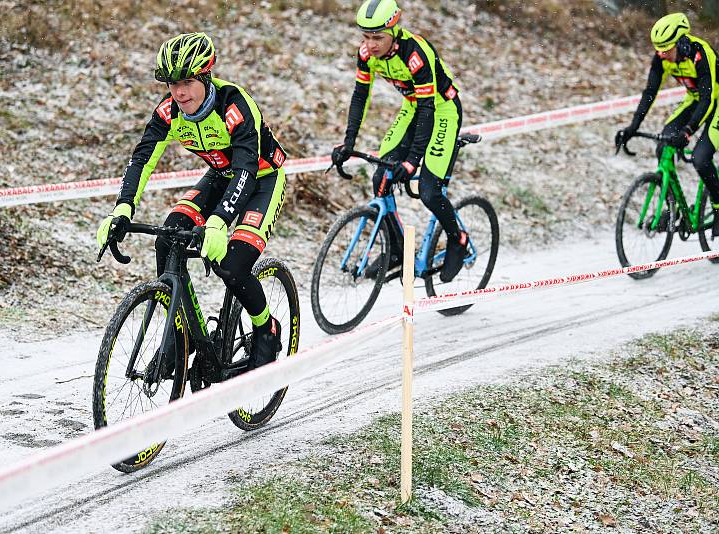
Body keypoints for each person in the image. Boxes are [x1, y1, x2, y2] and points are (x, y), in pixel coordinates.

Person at [96, 32, 288, 370]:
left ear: (205, 76)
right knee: (168, 237)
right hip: (220, 176)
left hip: (261, 179)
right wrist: (123, 207)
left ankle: (266, 328)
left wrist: (217, 222)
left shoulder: (234, 105)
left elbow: (245, 167)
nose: (179, 92)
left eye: (186, 81)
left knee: (233, 263)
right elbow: (142, 159)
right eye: (172, 83)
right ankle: (179, 337)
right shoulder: (170, 112)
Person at [332, 0, 467, 282]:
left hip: (441, 109)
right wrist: (348, 141)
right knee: (381, 177)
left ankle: (458, 239)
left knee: (429, 191)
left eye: (378, 37)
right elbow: (360, 96)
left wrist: (412, 160)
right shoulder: (366, 54)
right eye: (365, 37)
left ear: (394, 29)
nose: (371, 44)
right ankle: (396, 248)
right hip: (413, 107)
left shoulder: (415, 53)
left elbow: (429, 109)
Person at [616, 12, 719, 235]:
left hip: (715, 101)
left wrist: (689, 131)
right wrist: (633, 126)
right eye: (658, 49)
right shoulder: (662, 57)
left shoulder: (701, 54)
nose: (661, 54)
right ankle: (673, 204)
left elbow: (709, 98)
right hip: (695, 99)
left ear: (681, 43)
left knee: (701, 158)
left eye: (666, 49)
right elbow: (650, 92)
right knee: (663, 145)